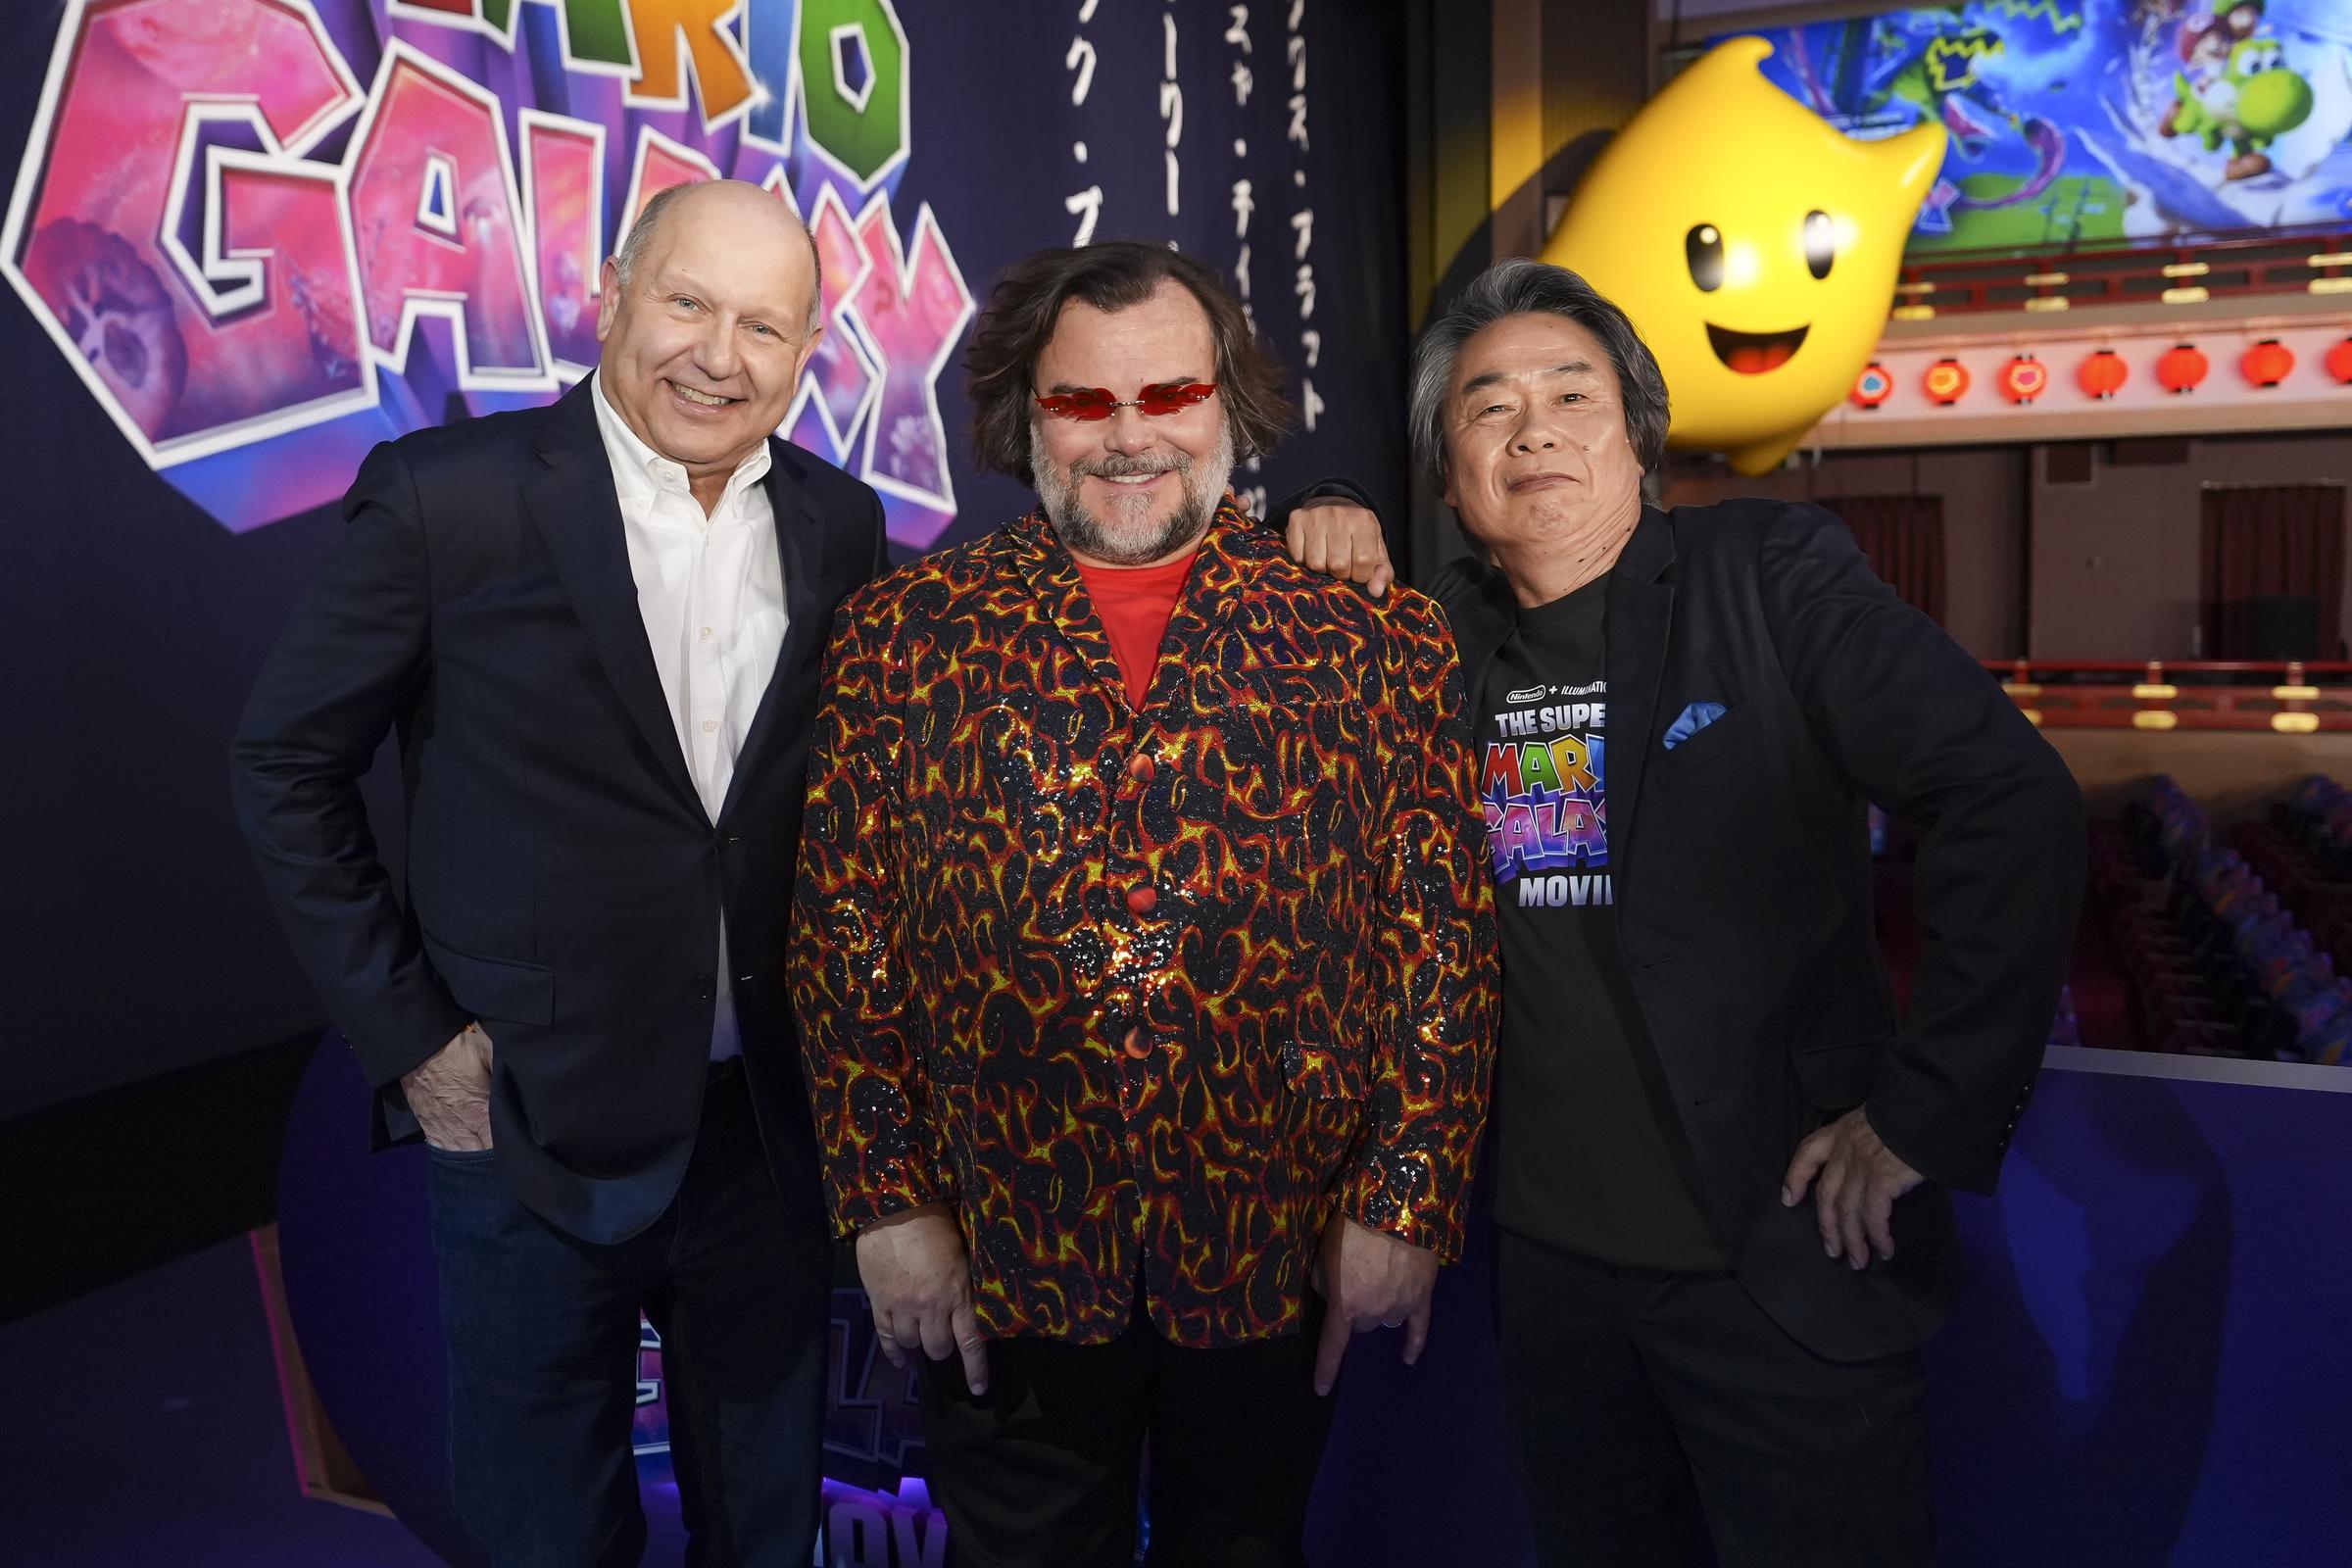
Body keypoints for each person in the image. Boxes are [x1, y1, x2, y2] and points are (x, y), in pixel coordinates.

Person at [1280, 258, 2084, 1567]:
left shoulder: (1766, 574)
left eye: (1570, 392)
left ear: (1639, 434)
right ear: (1448, 477)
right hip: (1552, 1286)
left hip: (1781, 1265)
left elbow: (2011, 802)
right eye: (1487, 408)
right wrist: (1314, 503)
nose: (1533, 429)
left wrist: (1923, 1110)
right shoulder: (1435, 639)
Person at [788, 240, 1498, 1568]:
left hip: (1279, 1262)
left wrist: (1402, 1200)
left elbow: (1441, 945)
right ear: (1026, 415)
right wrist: (887, 1206)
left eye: (1168, 396)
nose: (1129, 439)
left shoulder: (1369, 637)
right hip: (996, 1267)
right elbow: (844, 943)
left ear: (1228, 405)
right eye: (1084, 403)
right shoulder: (902, 637)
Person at [231, 179, 885, 1567]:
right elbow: (283, 767)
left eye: (764, 326)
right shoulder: (445, 500)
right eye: (688, 303)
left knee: (765, 1529)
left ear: (810, 350)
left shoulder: (843, 524)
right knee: (546, 1537)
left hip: (765, 1140)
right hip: (524, 1129)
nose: (720, 354)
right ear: (611, 294)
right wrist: (416, 1042)